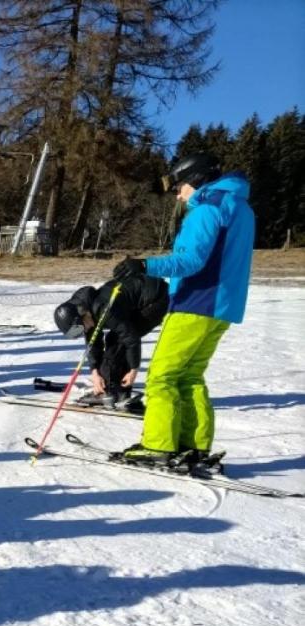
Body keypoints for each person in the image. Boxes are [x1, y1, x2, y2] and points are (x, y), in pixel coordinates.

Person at [110, 152, 254, 466]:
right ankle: (195, 444)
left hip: (196, 302)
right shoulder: (239, 206)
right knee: (189, 377)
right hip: (221, 308)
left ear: (197, 179)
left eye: (180, 185)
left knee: (161, 377)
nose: (178, 193)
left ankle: (158, 446)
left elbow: (190, 261)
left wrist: (143, 265)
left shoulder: (207, 208)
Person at [52, 275, 168, 410]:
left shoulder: (104, 309)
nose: (85, 330)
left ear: (82, 313)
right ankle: (116, 390)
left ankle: (111, 393)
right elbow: (93, 342)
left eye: (81, 327)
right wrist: (94, 371)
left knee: (117, 340)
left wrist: (133, 369)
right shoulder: (87, 309)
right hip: (139, 298)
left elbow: (131, 338)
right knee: (116, 339)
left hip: (157, 300)